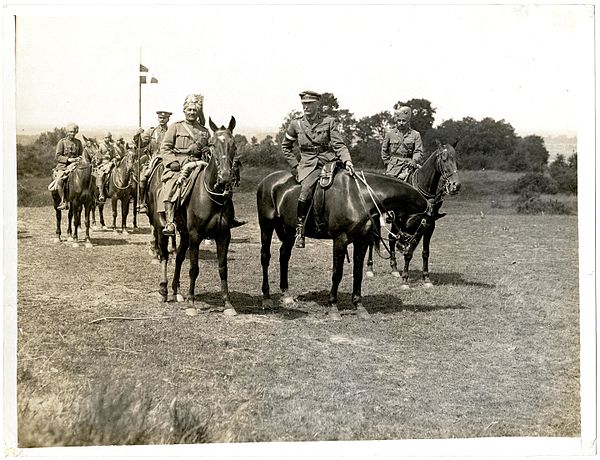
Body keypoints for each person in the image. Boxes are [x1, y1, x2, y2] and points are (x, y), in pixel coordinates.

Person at [281, 90, 354, 248]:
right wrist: (295, 165)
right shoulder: (296, 124)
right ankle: (300, 229)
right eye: (304, 104)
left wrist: (347, 161)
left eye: (309, 104)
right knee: (306, 190)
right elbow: (285, 147)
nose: (306, 107)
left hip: (329, 161)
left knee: (345, 185)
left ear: (317, 105)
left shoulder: (329, 121)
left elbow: (339, 145)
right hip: (308, 165)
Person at [135, 110, 172, 213]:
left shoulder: (171, 131)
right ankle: (142, 203)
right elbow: (141, 144)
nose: (162, 119)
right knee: (143, 178)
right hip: (154, 160)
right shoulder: (151, 131)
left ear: (168, 119)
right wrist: (137, 136)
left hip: (168, 160)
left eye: (164, 118)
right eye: (160, 118)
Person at [381, 106, 424, 181]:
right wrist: (387, 162)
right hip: (393, 167)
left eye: (403, 121)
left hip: (409, 166)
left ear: (408, 121)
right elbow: (384, 150)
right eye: (399, 120)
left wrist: (414, 161)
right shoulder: (390, 133)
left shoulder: (415, 134)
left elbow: (418, 151)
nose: (401, 123)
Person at [52, 122, 83, 210]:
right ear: (67, 132)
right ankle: (63, 201)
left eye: (74, 132)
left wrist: (78, 159)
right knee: (59, 180)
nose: (72, 134)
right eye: (70, 132)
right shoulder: (62, 142)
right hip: (63, 166)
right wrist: (68, 160)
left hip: (76, 166)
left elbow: (81, 154)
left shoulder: (78, 142)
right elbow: (57, 156)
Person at [96, 131, 121, 202]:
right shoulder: (100, 146)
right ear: (104, 138)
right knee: (100, 176)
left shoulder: (112, 146)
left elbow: (116, 155)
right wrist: (103, 156)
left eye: (109, 138)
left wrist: (114, 158)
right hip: (102, 164)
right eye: (106, 138)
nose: (107, 139)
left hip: (111, 163)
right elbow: (97, 156)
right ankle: (101, 194)